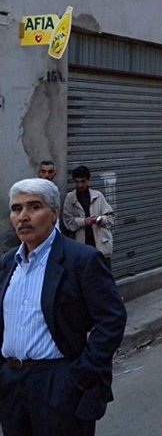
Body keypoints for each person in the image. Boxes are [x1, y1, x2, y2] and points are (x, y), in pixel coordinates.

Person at [1, 178, 126, 435]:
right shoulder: (7, 264)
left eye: (34, 207)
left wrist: (79, 377)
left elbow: (111, 320)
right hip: (12, 385)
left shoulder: (81, 260)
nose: (23, 216)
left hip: (58, 382)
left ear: (55, 213)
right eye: (16, 209)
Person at [61, 166, 116, 268]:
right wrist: (84, 221)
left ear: (88, 181)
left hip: (100, 247)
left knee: (104, 278)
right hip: (82, 247)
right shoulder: (70, 198)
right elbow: (68, 221)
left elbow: (111, 219)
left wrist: (99, 219)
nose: (80, 185)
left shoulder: (98, 196)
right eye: (77, 182)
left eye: (83, 181)